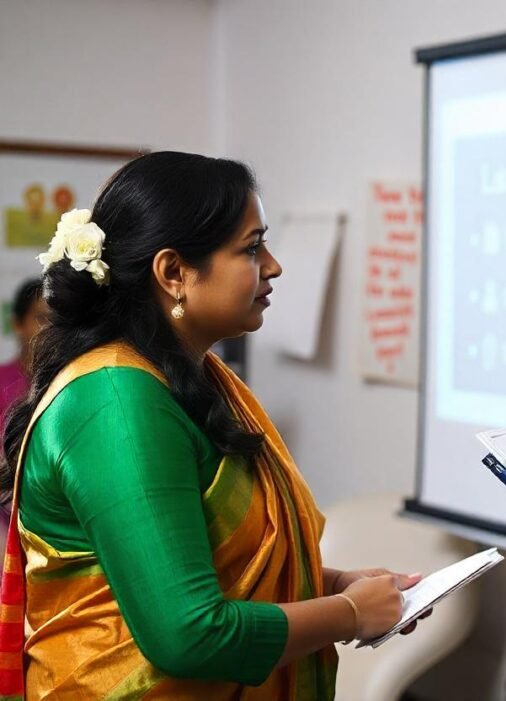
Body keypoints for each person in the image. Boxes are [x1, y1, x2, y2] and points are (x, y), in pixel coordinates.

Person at [0, 152, 425, 699]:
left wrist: (334, 584)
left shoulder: (183, 377)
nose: (273, 266)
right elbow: (187, 635)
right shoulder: (117, 403)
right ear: (173, 272)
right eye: (251, 248)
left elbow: (192, 565)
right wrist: (346, 614)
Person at [0, 277, 46, 428]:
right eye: (42, 318)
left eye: (57, 321)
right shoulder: (2, 380)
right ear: (17, 324)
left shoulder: (68, 381)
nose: (50, 328)